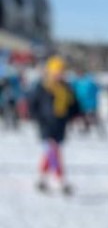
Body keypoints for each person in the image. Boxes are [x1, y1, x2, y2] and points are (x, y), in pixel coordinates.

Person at [28, 54, 81, 193]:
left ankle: (42, 179)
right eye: (57, 71)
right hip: (46, 124)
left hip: (60, 124)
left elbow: (74, 105)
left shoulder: (66, 88)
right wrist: (37, 118)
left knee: (50, 153)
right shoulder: (42, 87)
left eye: (62, 71)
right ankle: (60, 180)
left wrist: (73, 115)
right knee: (53, 152)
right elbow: (33, 104)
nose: (59, 74)